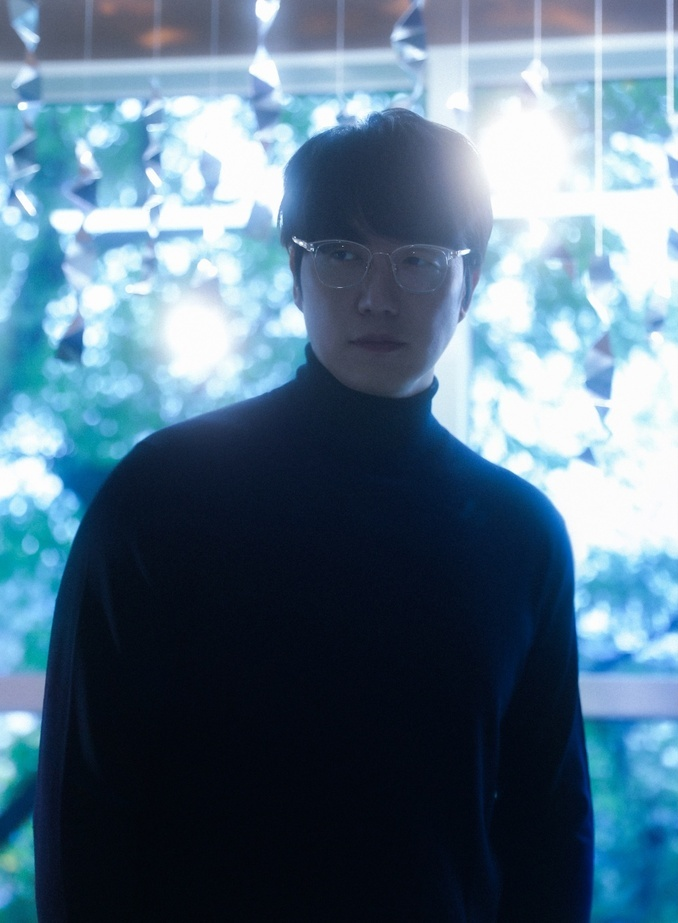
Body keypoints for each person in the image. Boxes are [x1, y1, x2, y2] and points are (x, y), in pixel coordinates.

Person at [34, 108, 594, 921]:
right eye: (340, 254)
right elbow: (84, 805)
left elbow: (550, 830)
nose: (376, 296)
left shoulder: (521, 534)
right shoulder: (164, 495)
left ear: (468, 285)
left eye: (419, 260)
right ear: (295, 273)